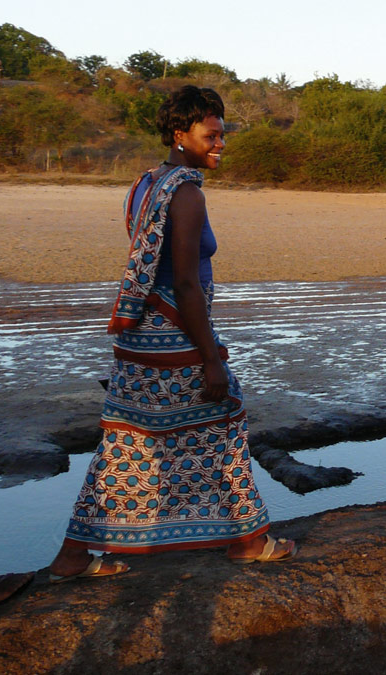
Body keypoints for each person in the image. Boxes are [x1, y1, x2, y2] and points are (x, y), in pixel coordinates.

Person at [47, 86, 293, 582]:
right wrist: (210, 357)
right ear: (181, 133)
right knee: (224, 422)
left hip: (141, 336)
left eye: (223, 133)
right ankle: (249, 542)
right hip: (174, 335)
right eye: (211, 133)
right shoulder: (186, 191)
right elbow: (182, 280)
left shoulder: (145, 183)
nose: (220, 142)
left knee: (129, 443)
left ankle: (73, 557)